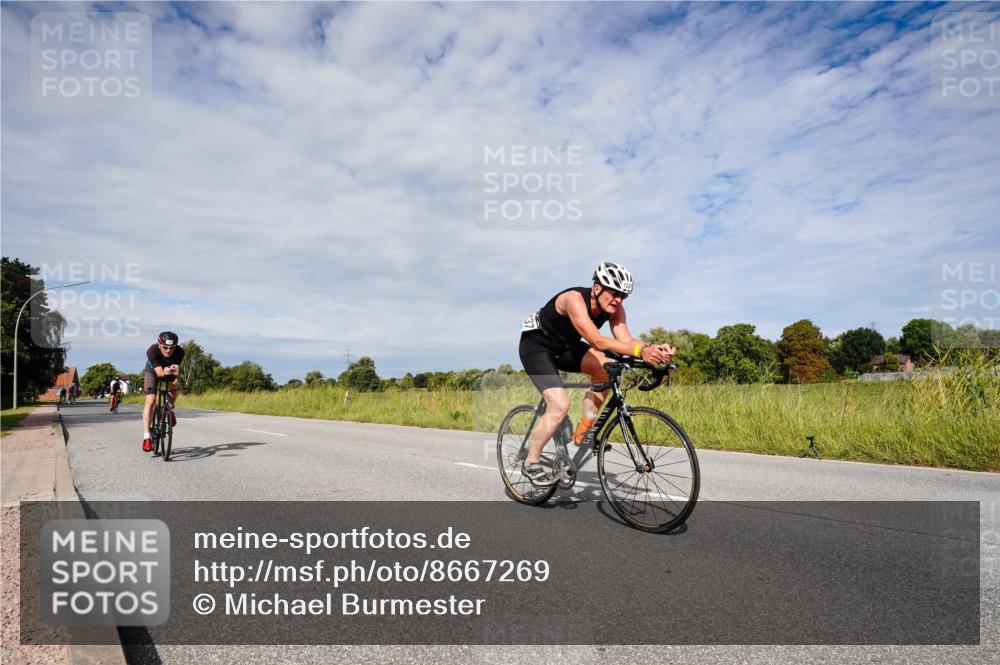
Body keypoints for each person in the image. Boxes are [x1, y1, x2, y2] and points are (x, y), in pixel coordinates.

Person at [517, 262, 676, 486]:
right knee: (560, 405)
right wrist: (642, 352)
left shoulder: (615, 309)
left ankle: (582, 435)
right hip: (537, 347)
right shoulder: (574, 299)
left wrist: (654, 348)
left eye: (623, 295)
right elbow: (597, 341)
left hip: (565, 348)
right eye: (614, 293)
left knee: (606, 369)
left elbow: (628, 341)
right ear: (597, 288)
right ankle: (531, 461)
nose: (618, 300)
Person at [141, 332, 185, 452]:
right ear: (159, 344)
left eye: (171, 348)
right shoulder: (152, 351)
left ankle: (169, 408)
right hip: (153, 371)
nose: (168, 350)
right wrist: (165, 371)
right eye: (165, 347)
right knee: (151, 399)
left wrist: (174, 374)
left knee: (175, 384)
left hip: (167, 370)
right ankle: (147, 437)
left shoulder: (180, 352)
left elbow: (176, 372)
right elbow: (160, 373)